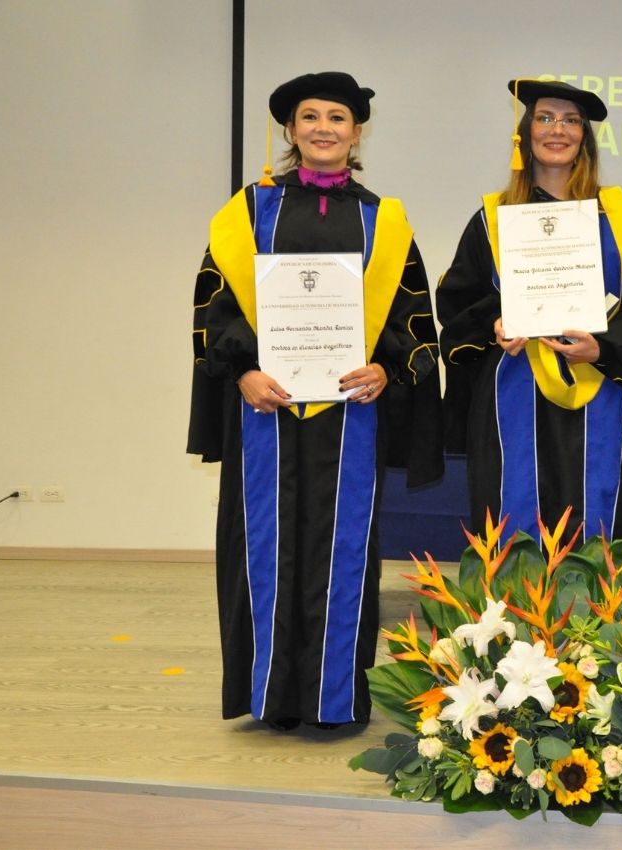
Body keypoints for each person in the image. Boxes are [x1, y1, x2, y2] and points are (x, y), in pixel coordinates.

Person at [187, 72, 442, 730]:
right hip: (266, 410)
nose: (323, 127)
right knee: (264, 544)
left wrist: (387, 369)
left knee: (344, 549)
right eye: (309, 117)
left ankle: (334, 699)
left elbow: (413, 318)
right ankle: (267, 695)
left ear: (357, 132)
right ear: (291, 130)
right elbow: (215, 305)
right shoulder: (249, 212)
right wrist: (241, 371)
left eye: (337, 117)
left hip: (350, 413)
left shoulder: (383, 221)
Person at [436, 79, 622, 543]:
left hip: (599, 387)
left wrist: (603, 348)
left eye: (571, 121)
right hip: (513, 386)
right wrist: (494, 324)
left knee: (600, 512)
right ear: (526, 132)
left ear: (584, 137)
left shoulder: (618, 216)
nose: (558, 130)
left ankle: (603, 615)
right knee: (516, 515)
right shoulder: (492, 216)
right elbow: (457, 300)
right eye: (545, 118)